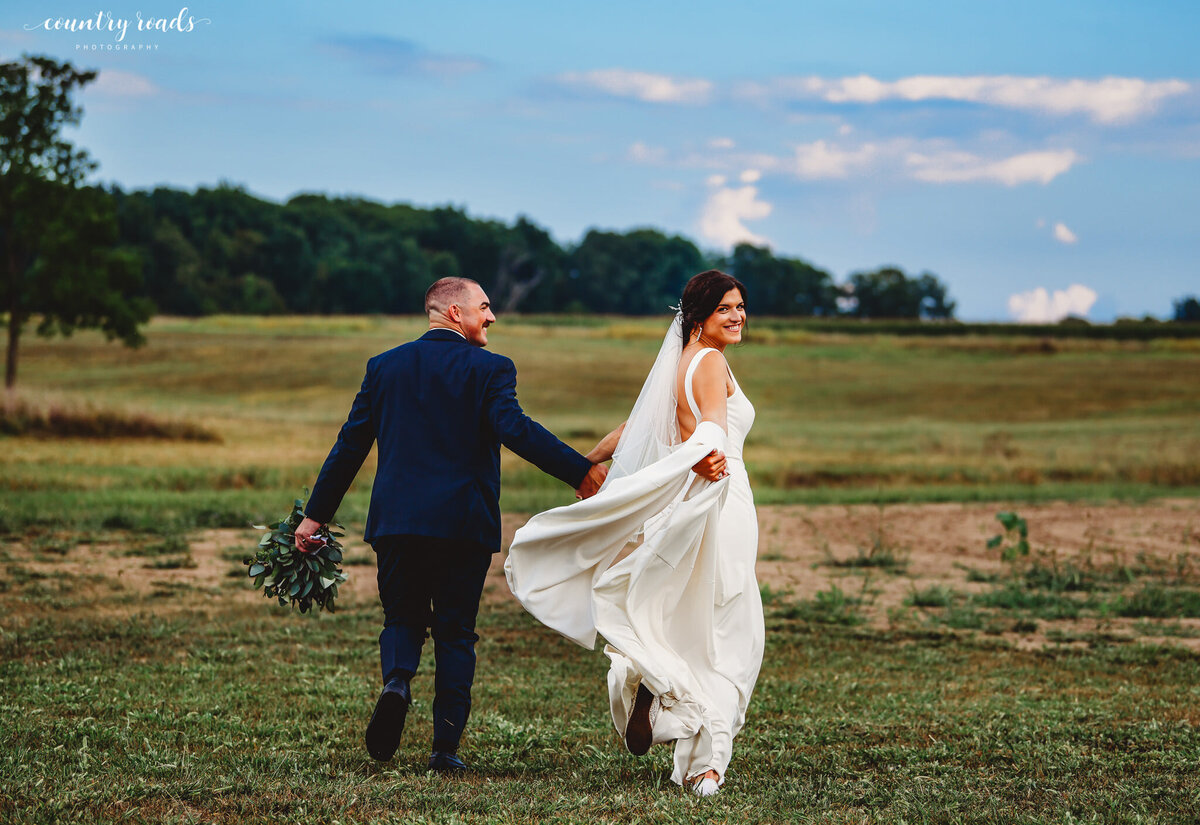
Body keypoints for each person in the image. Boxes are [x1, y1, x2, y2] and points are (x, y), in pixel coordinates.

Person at [295, 276, 608, 773]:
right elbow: (516, 431)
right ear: (454, 312)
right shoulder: (491, 370)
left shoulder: (384, 367)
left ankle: (397, 683)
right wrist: (581, 470)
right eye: (484, 307)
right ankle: (444, 751)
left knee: (401, 619)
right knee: (456, 633)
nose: (492, 317)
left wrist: (315, 517)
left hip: (397, 522)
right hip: (462, 524)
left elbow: (349, 446)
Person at [505, 270, 764, 797]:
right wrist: (707, 453)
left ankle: (652, 683)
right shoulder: (711, 362)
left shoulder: (678, 364)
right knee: (729, 631)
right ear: (697, 318)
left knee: (681, 612)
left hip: (688, 496)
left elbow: (633, 430)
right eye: (725, 310)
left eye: (740, 306)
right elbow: (713, 423)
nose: (737, 316)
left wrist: (586, 464)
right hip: (720, 493)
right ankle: (708, 764)